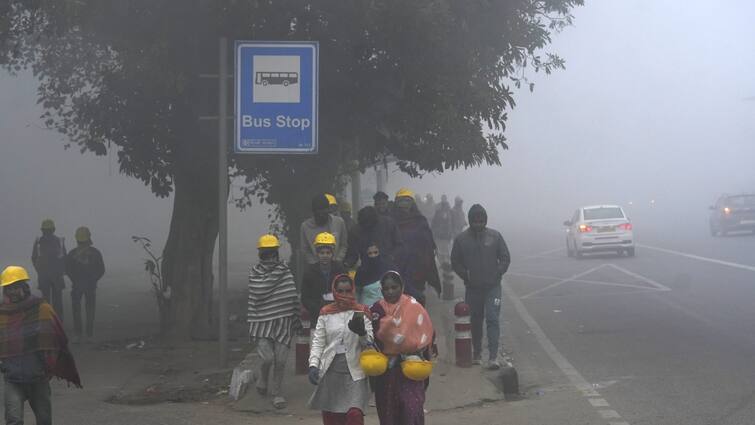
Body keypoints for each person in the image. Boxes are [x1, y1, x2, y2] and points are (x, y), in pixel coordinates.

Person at [0, 266, 82, 425]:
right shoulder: (2, 314)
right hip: (13, 379)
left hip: (38, 377)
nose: (12, 292)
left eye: (16, 288)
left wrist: (50, 365)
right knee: (13, 420)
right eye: (8, 289)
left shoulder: (41, 309)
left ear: (25, 287)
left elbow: (56, 339)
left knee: (44, 420)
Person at [365, 271, 434, 425]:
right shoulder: (376, 311)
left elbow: (427, 334)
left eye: (394, 287)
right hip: (386, 373)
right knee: (389, 414)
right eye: (386, 288)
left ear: (402, 287)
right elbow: (370, 338)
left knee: (412, 410)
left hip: (411, 369)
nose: (390, 292)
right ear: (381, 290)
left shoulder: (414, 307)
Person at [450, 204, 511, 370]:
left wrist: (498, 272)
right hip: (473, 288)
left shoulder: (495, 236)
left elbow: (505, 257)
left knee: (492, 319)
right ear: (470, 221)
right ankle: (476, 353)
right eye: (475, 221)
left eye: (481, 221)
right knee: (475, 321)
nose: (478, 224)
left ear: (485, 220)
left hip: (493, 287)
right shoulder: (461, 240)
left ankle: (493, 356)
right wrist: (465, 275)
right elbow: (455, 261)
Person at [308, 274, 374, 425]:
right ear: (334, 291)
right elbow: (318, 342)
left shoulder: (362, 312)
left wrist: (361, 332)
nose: (344, 295)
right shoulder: (326, 313)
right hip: (331, 373)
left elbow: (370, 343)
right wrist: (313, 365)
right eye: (340, 291)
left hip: (355, 373)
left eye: (347, 290)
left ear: (352, 291)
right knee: (332, 418)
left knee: (354, 415)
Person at [248, 234, 301, 409]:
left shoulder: (285, 271)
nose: (269, 257)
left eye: (272, 254)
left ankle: (277, 393)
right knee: (267, 358)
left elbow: (291, 294)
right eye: (265, 254)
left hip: (283, 322)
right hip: (261, 322)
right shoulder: (255, 273)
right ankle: (263, 378)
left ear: (276, 254)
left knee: (281, 360)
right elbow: (258, 291)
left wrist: (296, 317)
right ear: (260, 255)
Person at [393, 189, 441, 304]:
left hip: (417, 269)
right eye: (401, 201)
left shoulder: (420, 221)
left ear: (412, 203)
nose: (404, 204)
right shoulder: (390, 221)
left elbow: (428, 246)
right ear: (396, 203)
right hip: (396, 267)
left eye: (407, 201)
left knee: (415, 303)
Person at [64, 227, 105, 344]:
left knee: (77, 310)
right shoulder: (95, 253)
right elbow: (101, 270)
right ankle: (89, 335)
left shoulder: (72, 254)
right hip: (90, 286)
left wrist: (75, 280)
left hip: (77, 286)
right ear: (89, 239)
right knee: (90, 310)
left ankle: (78, 335)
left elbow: (67, 269)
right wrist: (94, 280)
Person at [302, 233, 346, 325]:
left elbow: (347, 292)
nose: (325, 256)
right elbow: (305, 298)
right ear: (317, 254)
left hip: (338, 316)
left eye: (328, 253)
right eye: (322, 253)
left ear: (332, 253)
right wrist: (319, 309)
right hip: (317, 318)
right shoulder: (309, 272)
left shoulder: (340, 270)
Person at [344, 206, 403, 271]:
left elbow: (399, 244)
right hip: (367, 269)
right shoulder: (355, 231)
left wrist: (392, 257)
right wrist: (347, 264)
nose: (367, 226)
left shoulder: (388, 224)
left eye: (369, 224)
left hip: (388, 267)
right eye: (365, 224)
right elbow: (352, 253)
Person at [31, 219, 67, 320]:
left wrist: (40, 271)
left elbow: (34, 258)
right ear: (54, 229)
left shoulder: (38, 242)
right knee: (56, 303)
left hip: (46, 277)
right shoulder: (58, 241)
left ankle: (48, 322)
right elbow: (64, 258)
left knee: (47, 302)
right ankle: (57, 323)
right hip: (55, 276)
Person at [301, 194, 349, 266]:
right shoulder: (305, 227)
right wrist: (315, 264)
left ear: (328, 210)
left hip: (336, 266)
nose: (321, 216)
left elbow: (344, 245)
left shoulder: (339, 222)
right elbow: (305, 250)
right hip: (315, 268)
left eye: (324, 213)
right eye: (318, 213)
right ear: (313, 212)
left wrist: (338, 260)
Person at [431, 195, 454, 261]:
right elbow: (434, 223)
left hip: (446, 235)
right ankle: (443, 264)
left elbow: (452, 223)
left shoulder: (450, 211)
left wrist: (451, 233)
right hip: (439, 234)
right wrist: (433, 232)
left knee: (446, 251)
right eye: (443, 198)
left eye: (445, 199)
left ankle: (446, 264)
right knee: (440, 250)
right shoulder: (438, 212)